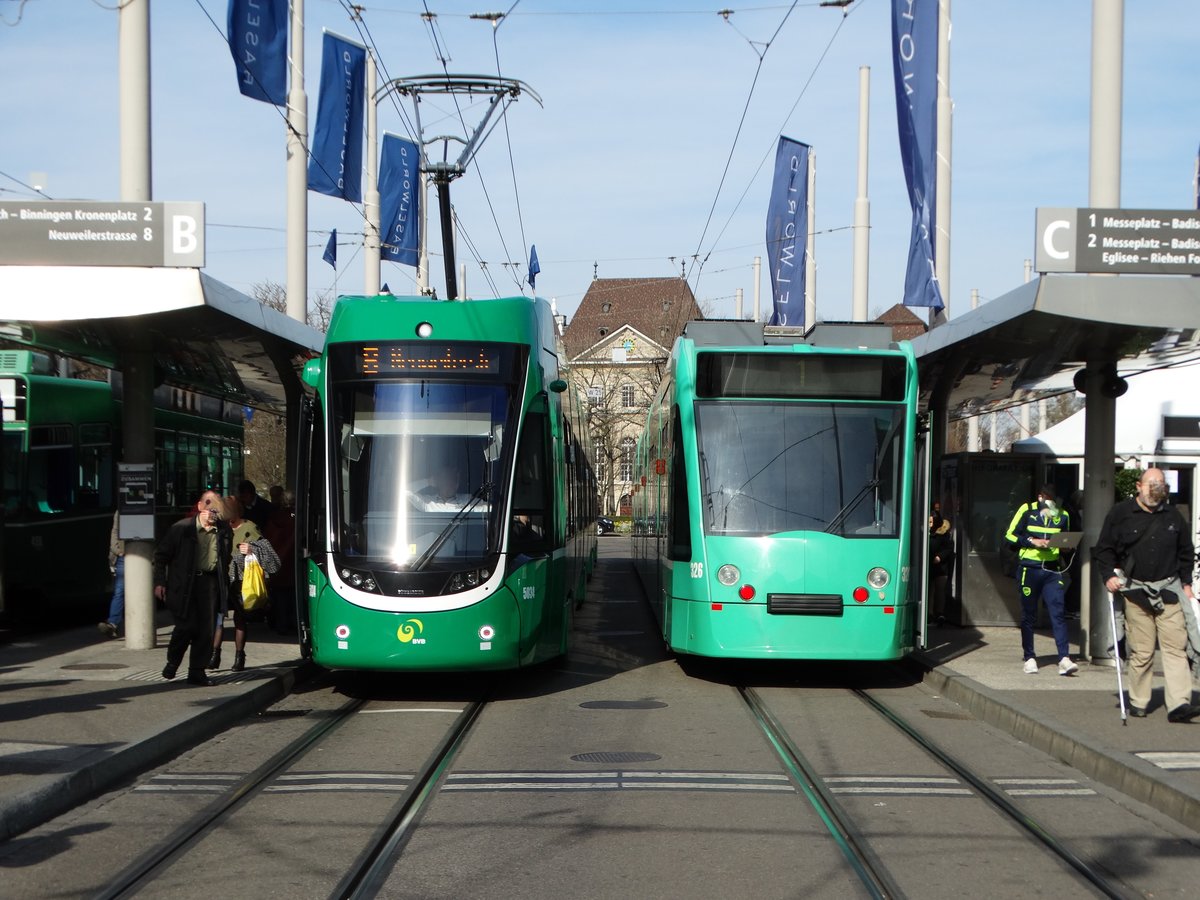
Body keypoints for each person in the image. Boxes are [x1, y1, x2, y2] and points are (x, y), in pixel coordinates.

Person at [1092, 468, 1199, 722]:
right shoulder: (1120, 514)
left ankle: (1179, 704)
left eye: (1160, 484)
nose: (1156, 488)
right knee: (1142, 651)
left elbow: (1186, 552)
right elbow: (1104, 550)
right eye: (1152, 483)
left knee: (1176, 648)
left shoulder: (1174, 516)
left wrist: (1186, 583)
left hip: (1169, 590)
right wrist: (1109, 576)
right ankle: (1139, 701)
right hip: (1135, 591)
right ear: (1139, 486)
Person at [154, 491, 232, 687]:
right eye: (209, 510)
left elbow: (226, 558)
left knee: (206, 630)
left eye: (216, 511)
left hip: (210, 583)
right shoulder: (181, 529)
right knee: (186, 626)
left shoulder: (223, 531)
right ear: (199, 507)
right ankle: (173, 661)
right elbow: (161, 557)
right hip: (184, 584)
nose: (212, 515)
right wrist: (160, 582)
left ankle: (197, 671)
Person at [1005, 484, 1078, 676]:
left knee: (1058, 612)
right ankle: (1029, 657)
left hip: (1052, 570)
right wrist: (1032, 541)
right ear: (1039, 497)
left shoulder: (1062, 515)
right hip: (1029, 568)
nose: (1051, 502)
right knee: (1029, 615)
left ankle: (1064, 657)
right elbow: (1010, 535)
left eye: (1053, 498)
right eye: (1047, 497)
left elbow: (1065, 539)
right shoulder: (1027, 510)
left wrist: (1066, 547)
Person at [210, 495, 280, 671]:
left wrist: (251, 550)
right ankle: (214, 655)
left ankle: (239, 656)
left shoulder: (249, 527)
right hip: (222, 579)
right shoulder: (218, 528)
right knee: (218, 618)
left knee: (240, 619)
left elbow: (271, 558)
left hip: (241, 581)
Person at [264, 488, 297, 635]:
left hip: (278, 560)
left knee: (279, 595)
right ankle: (293, 623)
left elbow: (268, 538)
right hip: (293, 561)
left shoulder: (273, 518)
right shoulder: (297, 518)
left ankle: (280, 624)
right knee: (292, 595)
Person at [97, 510, 124, 639]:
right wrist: (118, 551)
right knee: (119, 591)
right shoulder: (120, 511)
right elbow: (115, 532)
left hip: (142, 555)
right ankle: (112, 624)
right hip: (123, 556)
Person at [928, 509, 955, 625]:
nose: (929, 524)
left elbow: (948, 549)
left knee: (940, 591)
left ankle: (939, 613)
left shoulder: (943, 535)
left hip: (940, 567)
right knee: (929, 591)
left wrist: (939, 557)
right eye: (928, 522)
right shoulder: (925, 533)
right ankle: (929, 614)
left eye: (931, 522)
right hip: (928, 567)